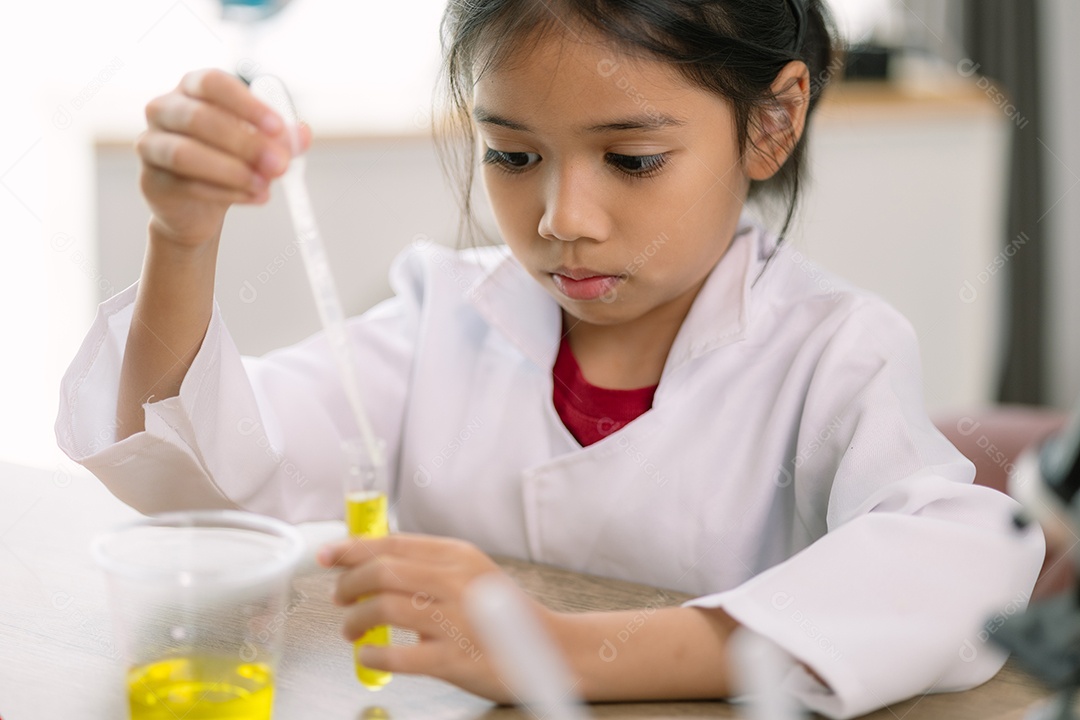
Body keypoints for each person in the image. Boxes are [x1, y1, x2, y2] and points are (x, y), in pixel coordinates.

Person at [56, 0, 1044, 717]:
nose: (563, 221)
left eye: (632, 160)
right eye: (513, 155)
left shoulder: (832, 349)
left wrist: (556, 648)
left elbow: (965, 565)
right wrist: (181, 240)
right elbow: (197, 474)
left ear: (772, 122)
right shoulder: (442, 315)